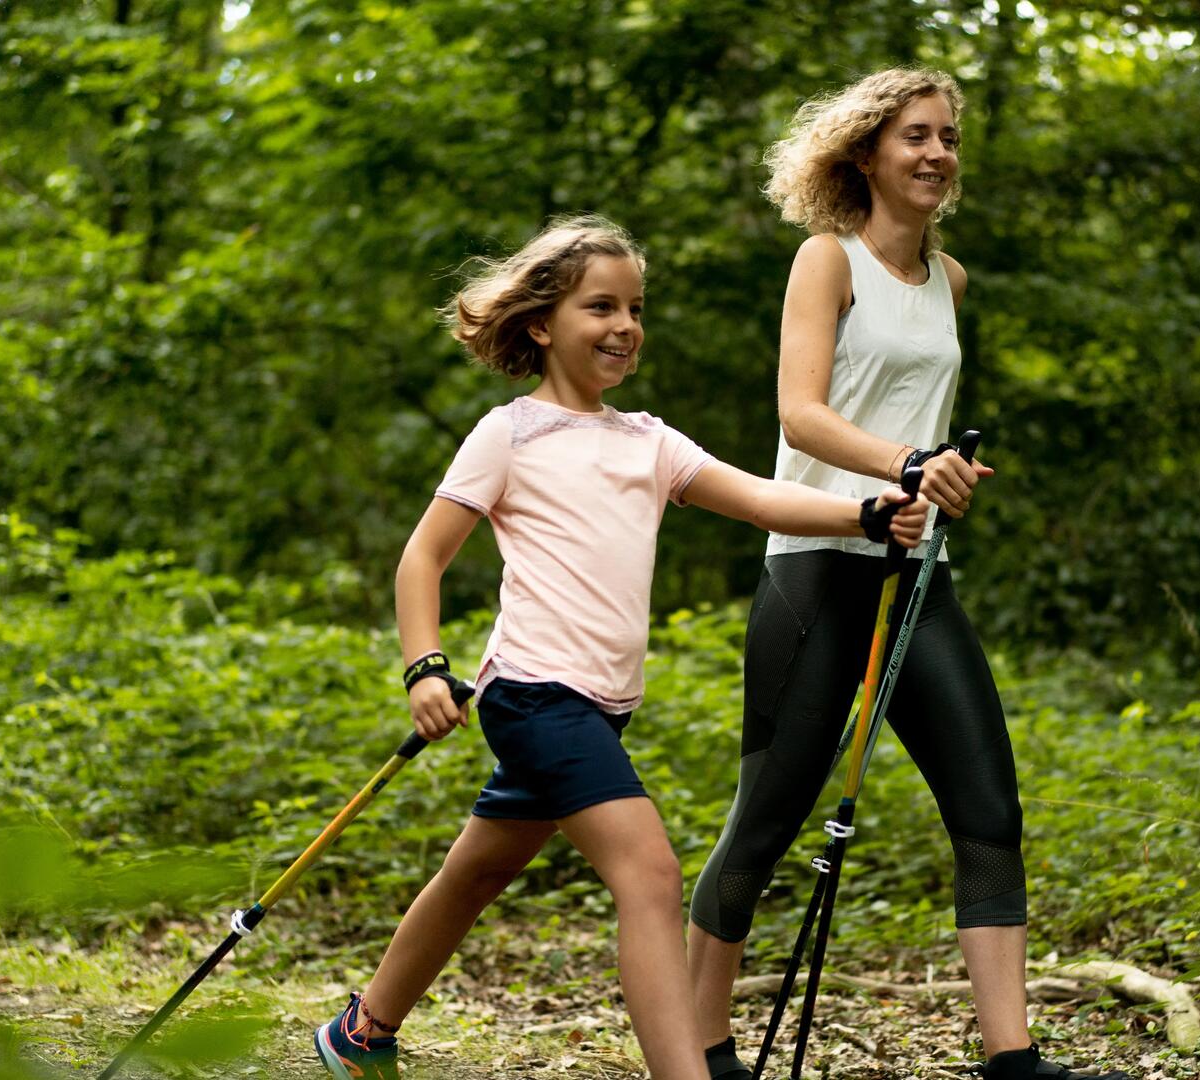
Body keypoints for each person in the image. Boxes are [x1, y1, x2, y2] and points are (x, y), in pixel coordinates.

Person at [312, 214, 929, 1080]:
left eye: (635, 309)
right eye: (601, 306)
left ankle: (359, 1033)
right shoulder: (511, 433)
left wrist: (866, 512)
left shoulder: (647, 440)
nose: (625, 326)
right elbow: (424, 556)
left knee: (475, 873)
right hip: (533, 695)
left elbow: (759, 500)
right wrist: (425, 666)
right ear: (541, 323)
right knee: (649, 872)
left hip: (600, 709)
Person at [685, 70, 1133, 1080]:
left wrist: (943, 473)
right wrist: (903, 465)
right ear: (865, 157)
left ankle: (1011, 1061)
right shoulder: (825, 261)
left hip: (916, 576)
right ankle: (702, 1050)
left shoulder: (951, 281)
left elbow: (919, 427)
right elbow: (800, 414)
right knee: (765, 820)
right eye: (915, 138)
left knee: (989, 811)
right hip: (815, 567)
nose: (936, 155)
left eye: (947, 139)